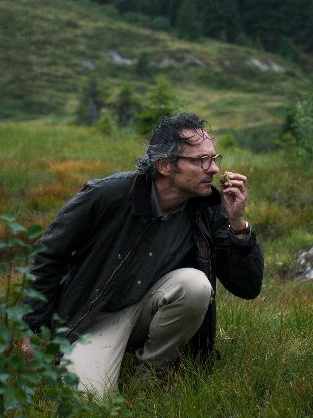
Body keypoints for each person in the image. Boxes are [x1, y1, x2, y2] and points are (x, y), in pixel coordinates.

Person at [23, 113, 264, 397]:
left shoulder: (207, 209)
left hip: (152, 309)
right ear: (164, 166)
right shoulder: (107, 195)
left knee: (195, 284)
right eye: (200, 160)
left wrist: (237, 224)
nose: (213, 169)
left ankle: (152, 375)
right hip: (95, 315)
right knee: (86, 400)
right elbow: (48, 256)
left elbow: (247, 287)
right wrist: (31, 330)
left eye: (214, 158)